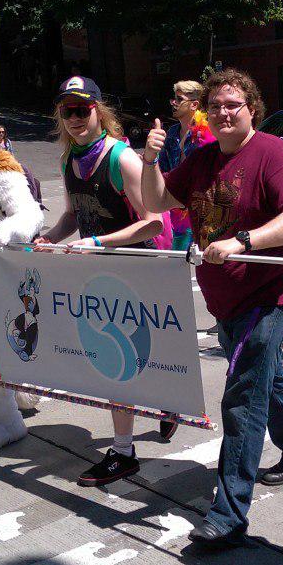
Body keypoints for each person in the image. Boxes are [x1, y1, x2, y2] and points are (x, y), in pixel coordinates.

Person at [141, 68, 283, 548]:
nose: (224, 112)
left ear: (251, 110)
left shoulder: (273, 154)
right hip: (228, 297)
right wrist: (151, 158)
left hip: (272, 290)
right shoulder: (201, 160)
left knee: (243, 395)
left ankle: (229, 514)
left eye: (233, 105)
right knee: (264, 376)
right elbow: (155, 198)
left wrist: (245, 241)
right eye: (216, 105)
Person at [32, 75, 173, 486]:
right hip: (99, 272)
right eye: (67, 110)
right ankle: (160, 409)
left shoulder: (122, 159)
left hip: (139, 271)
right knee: (119, 361)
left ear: (98, 110)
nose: (75, 118)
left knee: (123, 361)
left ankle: (125, 451)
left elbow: (153, 224)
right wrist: (50, 238)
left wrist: (97, 242)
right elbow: (75, 215)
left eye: (82, 109)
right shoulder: (68, 160)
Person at [155, 80, 215, 249]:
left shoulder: (207, 132)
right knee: (178, 263)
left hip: (200, 209)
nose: (174, 103)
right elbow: (164, 169)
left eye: (179, 99)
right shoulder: (172, 133)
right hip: (175, 207)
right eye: (173, 99)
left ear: (194, 105)